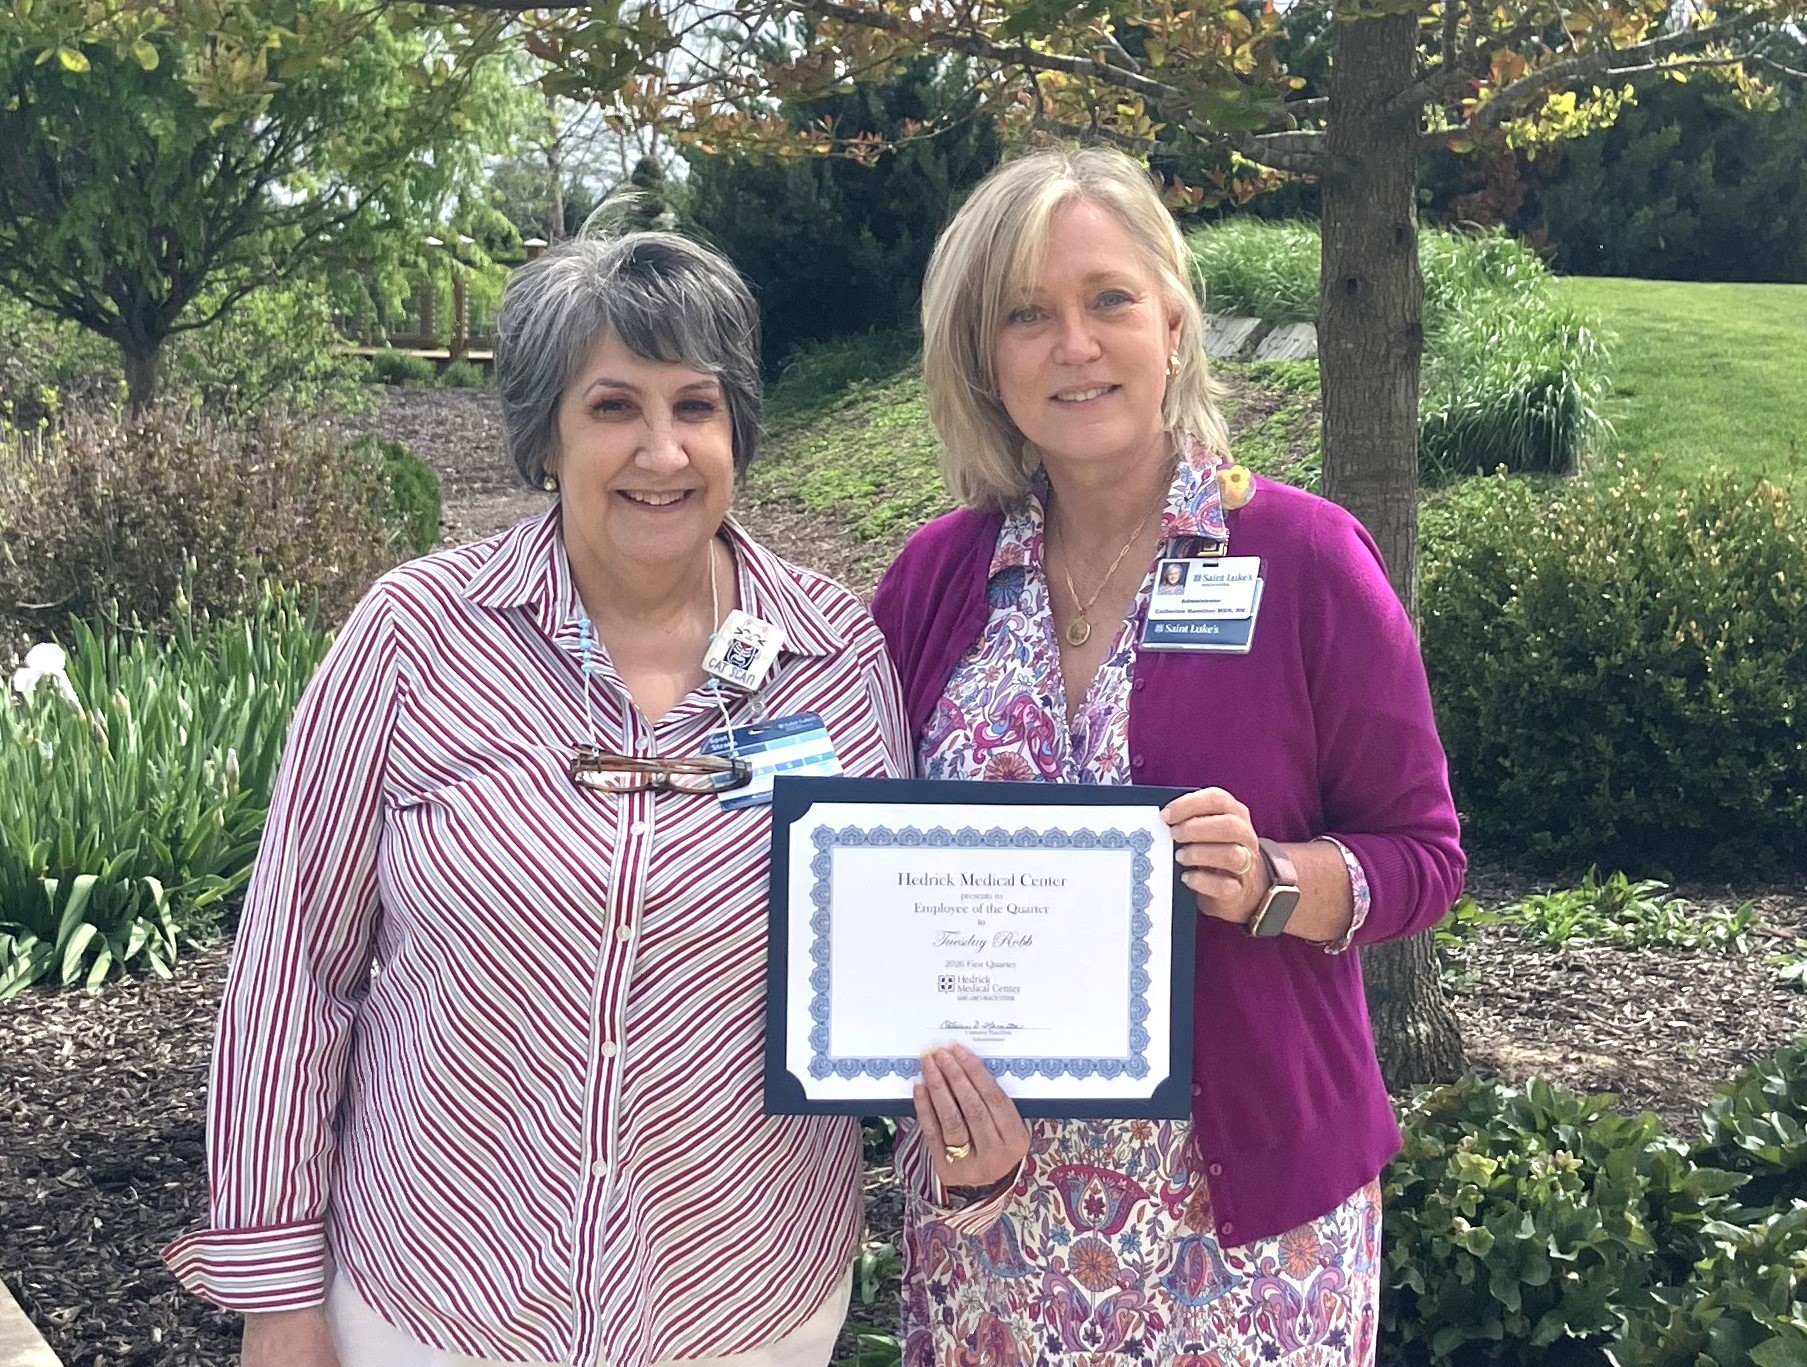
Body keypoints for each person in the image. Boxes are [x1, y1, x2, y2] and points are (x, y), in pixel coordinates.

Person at [165, 231, 912, 1367]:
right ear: (544, 435)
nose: (662, 450)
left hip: (742, 1301)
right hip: (436, 1301)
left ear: (738, 428)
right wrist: (276, 1294)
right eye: (612, 405)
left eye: (696, 405)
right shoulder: (414, 637)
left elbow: (893, 967)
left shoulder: (834, 655)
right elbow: (293, 970)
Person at [869, 146, 1466, 1365]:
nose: (1073, 344)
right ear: (984, 357)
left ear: (1174, 323)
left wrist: (1274, 881)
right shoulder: (935, 580)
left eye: (1108, 299)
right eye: (1025, 314)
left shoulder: (1302, 559)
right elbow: (870, 886)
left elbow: (1423, 857)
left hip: (1239, 1228)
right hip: (994, 1217)